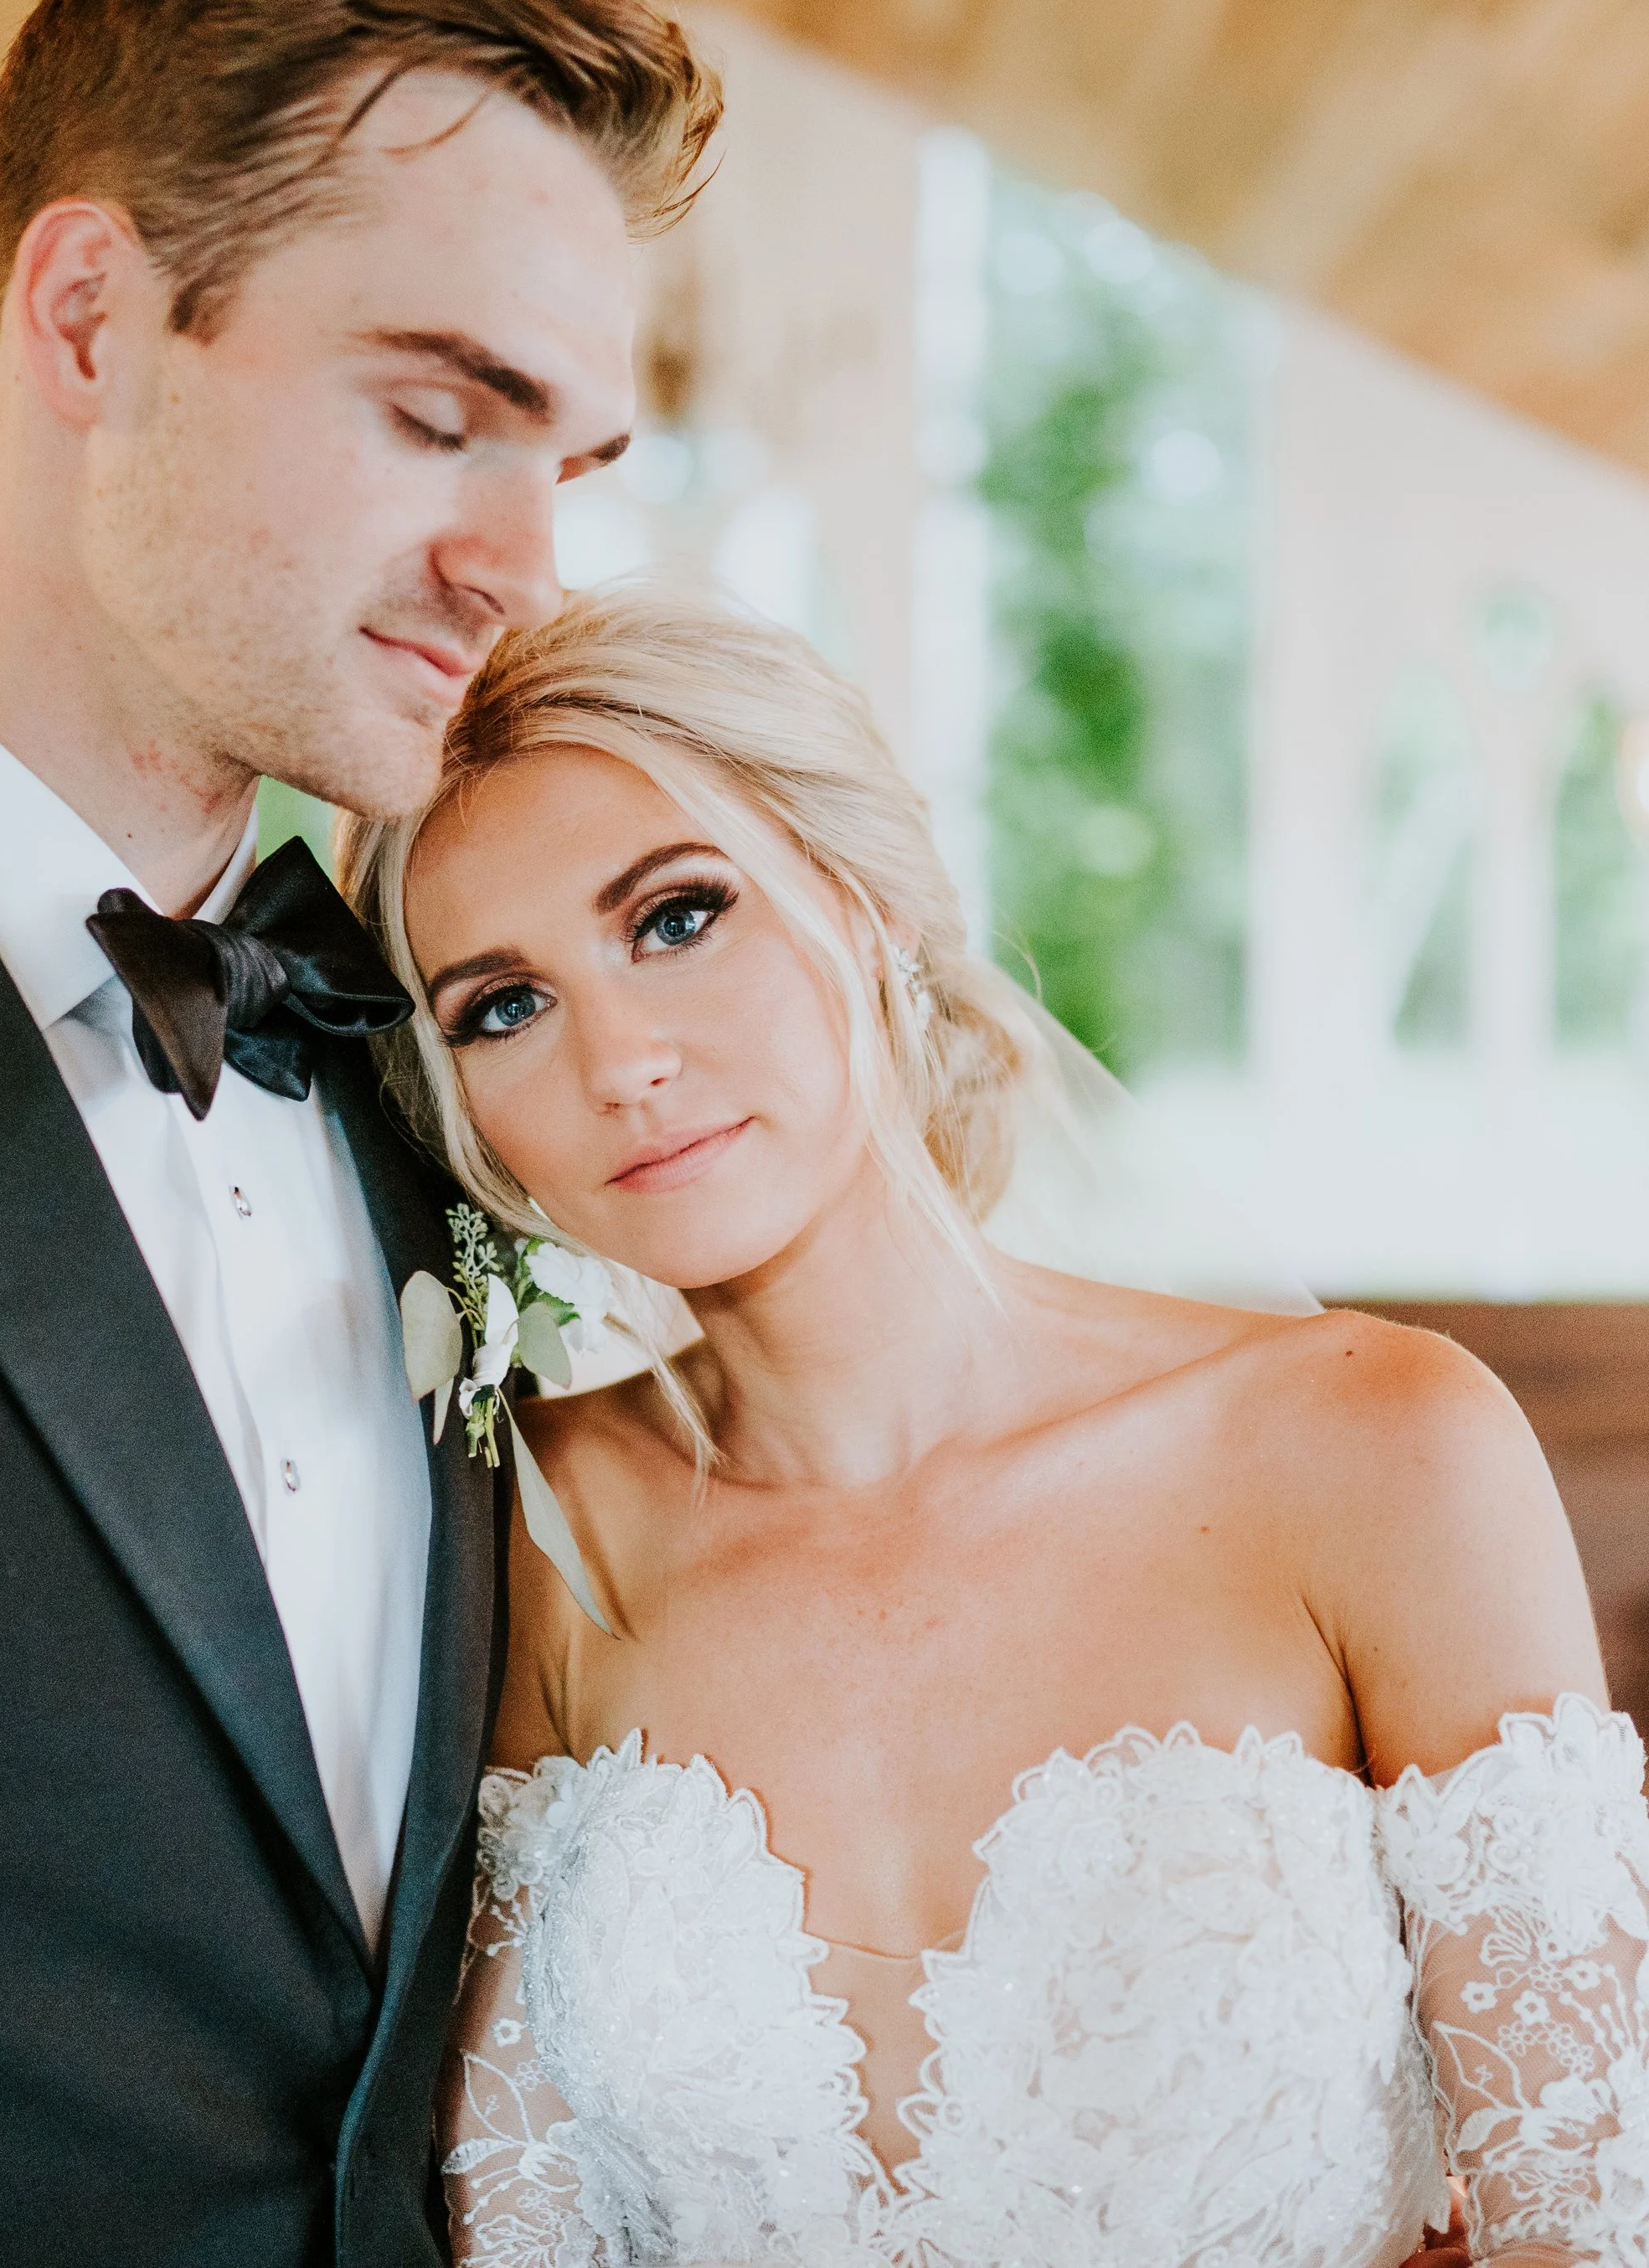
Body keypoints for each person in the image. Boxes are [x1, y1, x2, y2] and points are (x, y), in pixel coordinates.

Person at [0, 0, 716, 2263]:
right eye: (436, 413)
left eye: (562, 461)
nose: (526, 563)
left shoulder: (451, 1044)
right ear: (88, 315)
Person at [339, 588, 1649, 2267]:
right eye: (498, 1005)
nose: (623, 1057)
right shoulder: (536, 1524)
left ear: (869, 904)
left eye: (673, 916)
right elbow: (512, 2223)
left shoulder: (1376, 1444)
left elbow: (1583, 2216)